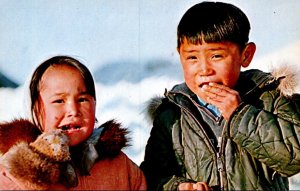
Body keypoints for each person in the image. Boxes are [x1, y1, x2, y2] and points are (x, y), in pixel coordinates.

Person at [140, 1, 300, 191]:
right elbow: (151, 178)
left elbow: (295, 157)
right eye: (192, 57)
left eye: (216, 56)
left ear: (245, 55)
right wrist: (179, 187)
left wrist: (240, 115)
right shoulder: (172, 116)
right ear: (180, 56)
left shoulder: (269, 99)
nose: (204, 69)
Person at [0, 55, 147, 190]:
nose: (73, 110)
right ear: (35, 110)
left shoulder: (120, 165)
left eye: (82, 99)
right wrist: (32, 169)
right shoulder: (12, 169)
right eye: (59, 101)